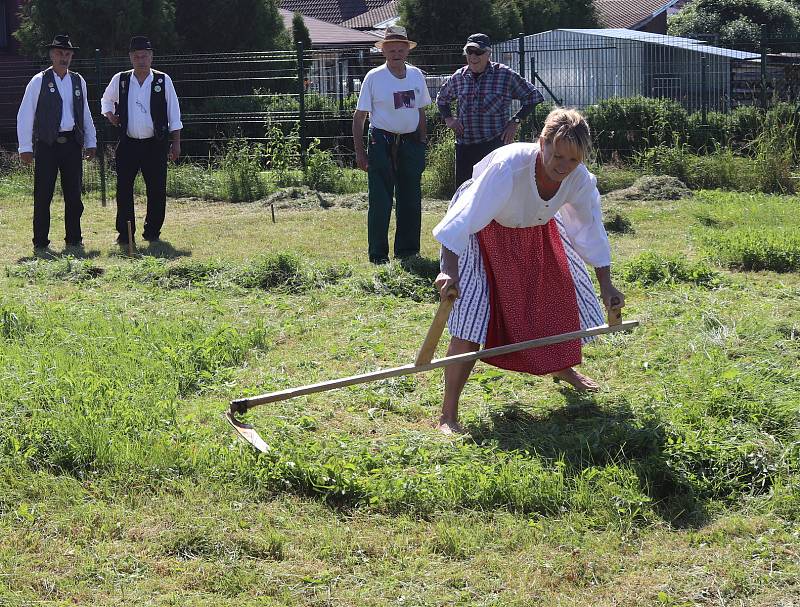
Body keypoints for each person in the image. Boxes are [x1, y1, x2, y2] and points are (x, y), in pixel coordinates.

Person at [432, 108, 625, 434]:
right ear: (542, 143)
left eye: (572, 160)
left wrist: (607, 285)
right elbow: (464, 219)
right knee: (471, 318)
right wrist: (449, 270)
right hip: (483, 227)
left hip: (535, 227)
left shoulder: (578, 179)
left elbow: (590, 228)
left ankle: (561, 367)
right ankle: (448, 416)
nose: (562, 166)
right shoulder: (510, 168)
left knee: (557, 296)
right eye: (557, 155)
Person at [352, 26, 431, 264]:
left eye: (400, 49)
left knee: (410, 199)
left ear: (407, 50)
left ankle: (407, 252)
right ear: (383, 51)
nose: (396, 53)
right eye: (391, 49)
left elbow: (421, 110)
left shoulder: (417, 75)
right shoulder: (374, 77)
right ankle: (378, 255)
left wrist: (423, 140)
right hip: (381, 142)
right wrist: (360, 152)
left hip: (411, 143)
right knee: (380, 201)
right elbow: (359, 117)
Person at [17, 34, 97, 251]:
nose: (64, 57)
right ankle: (40, 242)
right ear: (52, 55)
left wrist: (91, 141)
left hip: (72, 144)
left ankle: (74, 239)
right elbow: (25, 115)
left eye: (67, 54)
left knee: (74, 195)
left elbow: (85, 112)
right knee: (43, 195)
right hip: (47, 145)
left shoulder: (78, 80)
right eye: (60, 53)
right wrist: (25, 147)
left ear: (71, 56)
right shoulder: (39, 80)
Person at [101, 35, 182, 244]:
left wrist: (176, 142)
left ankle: (152, 232)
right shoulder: (121, 79)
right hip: (128, 143)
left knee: (156, 189)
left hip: (155, 144)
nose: (141, 60)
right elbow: (106, 100)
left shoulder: (163, 80)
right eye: (136, 57)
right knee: (124, 188)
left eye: (144, 56)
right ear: (130, 58)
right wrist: (110, 114)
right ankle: (125, 233)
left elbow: (174, 113)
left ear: (151, 56)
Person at [436, 33, 544, 189]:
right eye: (469, 52)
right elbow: (441, 99)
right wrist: (449, 119)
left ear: (488, 54)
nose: (473, 56)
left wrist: (515, 121)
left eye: (478, 52)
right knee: (463, 196)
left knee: (494, 196)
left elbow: (533, 96)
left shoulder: (504, 75)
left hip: (494, 147)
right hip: (465, 148)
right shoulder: (458, 77)